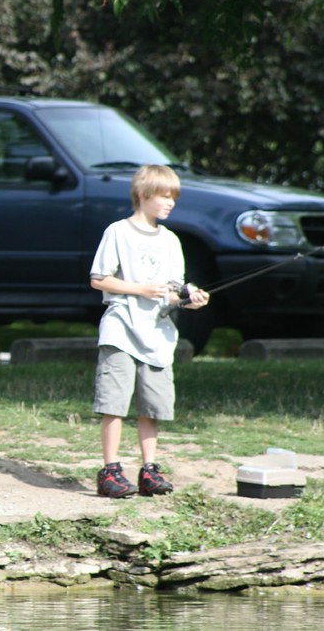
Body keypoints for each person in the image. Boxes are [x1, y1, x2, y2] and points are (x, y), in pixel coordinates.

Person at [89, 164, 209, 499]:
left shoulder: (171, 241)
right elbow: (99, 279)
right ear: (143, 195)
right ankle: (110, 471)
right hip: (122, 330)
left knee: (151, 407)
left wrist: (190, 299)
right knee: (115, 403)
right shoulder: (118, 232)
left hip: (157, 337)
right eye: (165, 196)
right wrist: (138, 289)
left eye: (174, 197)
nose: (171, 203)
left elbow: (172, 292)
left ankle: (149, 470)